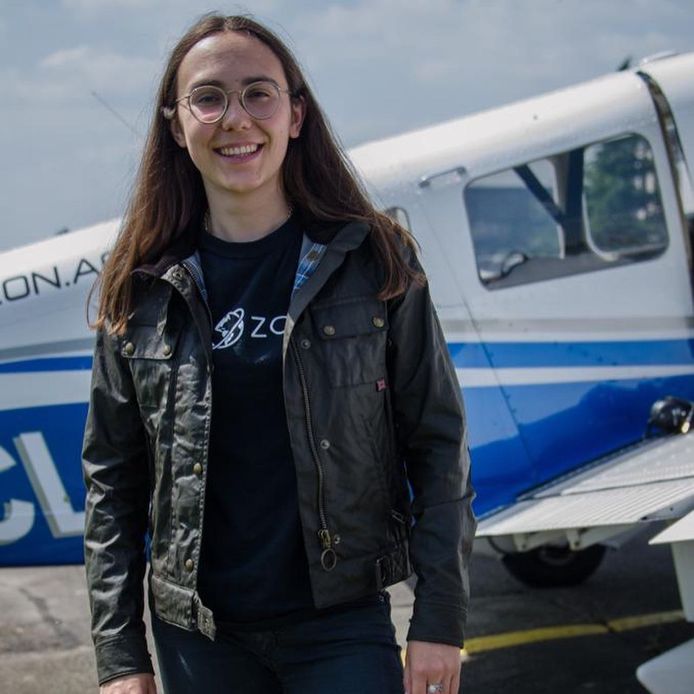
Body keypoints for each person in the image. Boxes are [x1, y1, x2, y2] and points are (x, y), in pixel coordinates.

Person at [82, 12, 476, 694]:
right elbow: (112, 483)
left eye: (258, 93)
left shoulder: (376, 259)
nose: (236, 118)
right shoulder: (138, 286)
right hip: (197, 637)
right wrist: (122, 657)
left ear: (296, 114)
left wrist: (440, 617)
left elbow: (437, 444)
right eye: (209, 98)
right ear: (177, 126)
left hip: (341, 623)